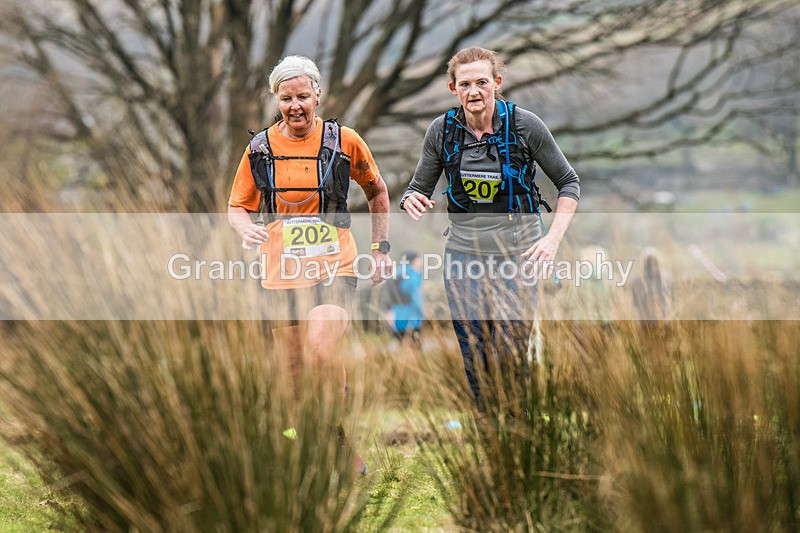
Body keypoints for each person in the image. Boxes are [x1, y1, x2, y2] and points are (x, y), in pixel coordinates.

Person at [227, 55, 391, 475]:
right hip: (279, 270)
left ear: (318, 94)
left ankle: (335, 435)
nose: (295, 105)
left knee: (320, 349)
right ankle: (316, 447)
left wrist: (380, 248)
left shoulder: (344, 141)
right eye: (286, 98)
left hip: (336, 263)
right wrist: (245, 229)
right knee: (295, 372)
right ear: (276, 101)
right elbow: (237, 206)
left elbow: (376, 191)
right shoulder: (260, 148)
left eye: (302, 96)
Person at [399, 46, 580, 408]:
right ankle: (487, 429)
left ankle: (516, 428)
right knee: (475, 351)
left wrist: (552, 240)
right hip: (464, 255)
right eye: (465, 84)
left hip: (519, 253)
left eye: (482, 82)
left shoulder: (525, 125)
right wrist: (411, 199)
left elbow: (569, 183)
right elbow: (417, 187)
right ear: (453, 89)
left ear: (497, 83)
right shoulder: (442, 131)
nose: (474, 91)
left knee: (511, 347)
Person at [387, 251, 424, 344]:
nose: (421, 261)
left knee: (399, 346)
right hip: (412, 318)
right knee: (415, 346)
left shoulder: (398, 273)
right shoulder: (413, 276)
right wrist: (421, 313)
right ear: (413, 261)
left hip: (397, 316)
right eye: (418, 259)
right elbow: (416, 298)